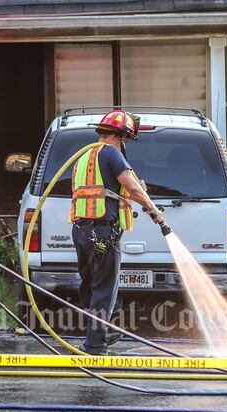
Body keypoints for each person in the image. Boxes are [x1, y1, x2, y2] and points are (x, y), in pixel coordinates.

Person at [70, 109, 163, 356]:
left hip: (81, 231)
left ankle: (98, 332)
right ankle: (95, 344)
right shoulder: (111, 152)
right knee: (104, 288)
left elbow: (106, 188)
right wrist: (154, 212)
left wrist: (132, 189)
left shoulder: (85, 156)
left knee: (91, 285)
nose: (125, 146)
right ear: (119, 136)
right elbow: (131, 187)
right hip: (102, 232)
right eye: (125, 140)